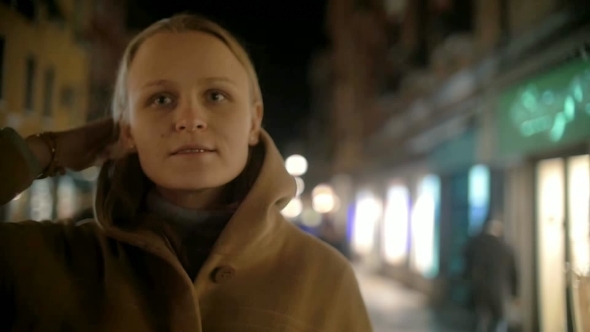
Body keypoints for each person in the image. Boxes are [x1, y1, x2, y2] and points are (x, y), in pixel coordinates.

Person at [0, 14, 372, 331]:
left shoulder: (323, 279)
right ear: (126, 130)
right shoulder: (60, 259)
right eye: (161, 100)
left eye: (215, 96)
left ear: (253, 121)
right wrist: (47, 150)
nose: (189, 120)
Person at [463, 218, 519, 332]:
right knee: (497, 319)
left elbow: (466, 264)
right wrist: (515, 293)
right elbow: (513, 273)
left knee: (478, 318)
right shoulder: (505, 248)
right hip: (497, 290)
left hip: (478, 289)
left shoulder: (475, 244)